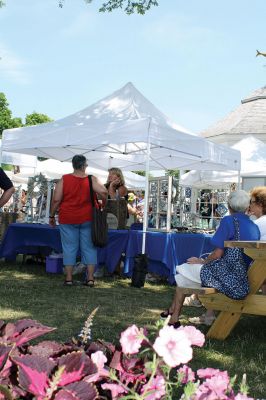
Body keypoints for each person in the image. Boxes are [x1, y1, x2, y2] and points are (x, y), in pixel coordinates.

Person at [160, 190, 260, 328]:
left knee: (185, 267)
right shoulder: (254, 227)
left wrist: (202, 261)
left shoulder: (229, 221)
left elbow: (217, 254)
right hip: (241, 277)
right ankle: (173, 316)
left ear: (229, 205)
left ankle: (174, 313)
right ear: (247, 206)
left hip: (226, 277)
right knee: (186, 275)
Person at [49, 155, 107, 286]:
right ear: (84, 165)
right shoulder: (91, 179)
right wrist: (103, 203)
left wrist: (52, 216)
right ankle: (90, 278)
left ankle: (69, 279)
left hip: (67, 218)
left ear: (73, 165)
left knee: (69, 248)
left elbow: (56, 199)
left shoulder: (64, 179)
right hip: (87, 218)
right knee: (90, 248)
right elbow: (103, 191)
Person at [249, 186, 266, 294]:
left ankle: (210, 311)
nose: (249, 205)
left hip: (259, 268)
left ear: (260, 204)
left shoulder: (257, 224)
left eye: (251, 202)